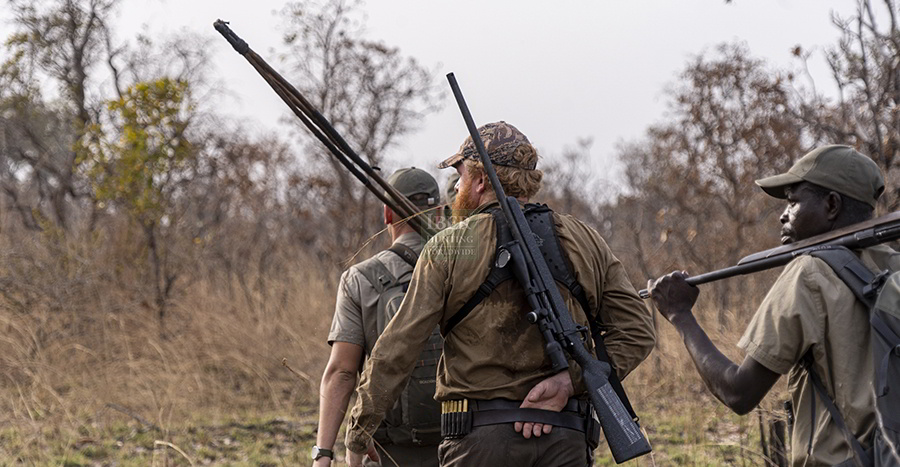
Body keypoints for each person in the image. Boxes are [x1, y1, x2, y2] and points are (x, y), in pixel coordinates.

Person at [344, 121, 656, 466]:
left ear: (479, 182)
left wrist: (359, 433)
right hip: (567, 437)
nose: (458, 187)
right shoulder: (586, 239)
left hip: (479, 443)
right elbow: (637, 332)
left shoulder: (448, 246)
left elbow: (396, 350)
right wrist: (570, 381)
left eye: (460, 177)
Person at [647, 145, 898, 466]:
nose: (783, 214)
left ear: (832, 205)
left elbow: (738, 392)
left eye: (793, 202)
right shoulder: (894, 265)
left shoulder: (809, 273)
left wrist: (680, 316)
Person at [312, 167, 443, 467]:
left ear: (387, 215)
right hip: (461, 445)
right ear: (438, 213)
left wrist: (324, 453)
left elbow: (342, 373)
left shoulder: (360, 279)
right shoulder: (465, 270)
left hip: (387, 450)